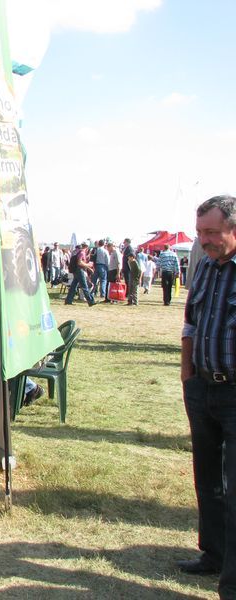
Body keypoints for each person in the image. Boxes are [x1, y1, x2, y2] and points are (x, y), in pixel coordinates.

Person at [178, 194, 236, 598]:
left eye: (212, 232)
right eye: (200, 233)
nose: (204, 240)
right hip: (202, 389)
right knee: (207, 480)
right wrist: (187, 375)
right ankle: (213, 554)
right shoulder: (206, 268)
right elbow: (190, 323)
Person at [64, 241, 95, 306]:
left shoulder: (78, 252)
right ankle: (91, 301)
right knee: (84, 286)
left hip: (76, 270)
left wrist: (89, 268)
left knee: (73, 286)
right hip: (80, 271)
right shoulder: (82, 253)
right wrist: (88, 265)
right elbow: (79, 263)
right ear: (87, 247)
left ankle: (68, 300)